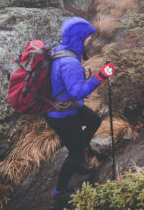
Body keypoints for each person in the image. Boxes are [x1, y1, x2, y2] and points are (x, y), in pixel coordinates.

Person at [46, 17, 115, 209]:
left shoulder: (63, 50)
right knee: (75, 154)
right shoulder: (69, 62)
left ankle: (79, 153)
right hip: (62, 115)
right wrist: (101, 77)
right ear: (78, 38)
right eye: (87, 36)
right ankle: (58, 192)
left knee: (94, 120)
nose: (90, 39)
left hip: (67, 107)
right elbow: (78, 92)